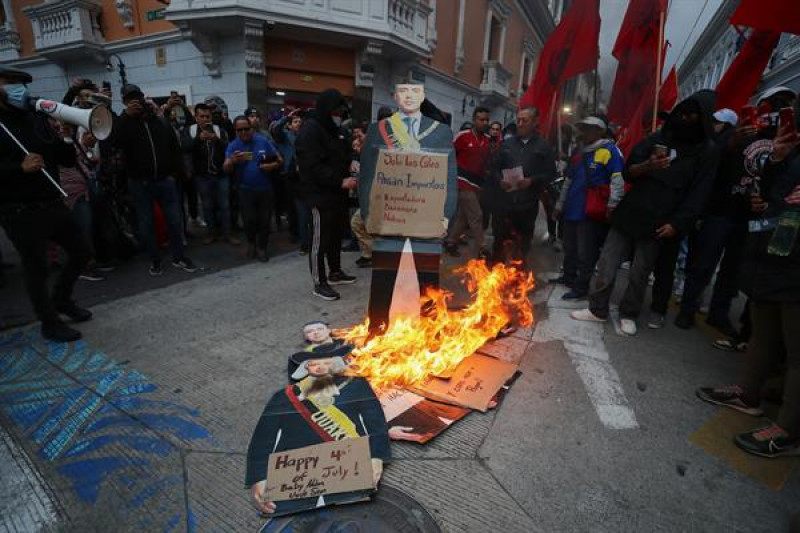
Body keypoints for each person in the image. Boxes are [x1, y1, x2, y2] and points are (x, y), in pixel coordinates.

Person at [696, 109, 800, 458]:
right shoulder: (792, 152)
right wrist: (778, 163)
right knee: (763, 336)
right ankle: (748, 393)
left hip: (795, 268)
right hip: (772, 257)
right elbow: (772, 195)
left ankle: (787, 431)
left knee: (797, 351)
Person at [571, 91, 719, 335]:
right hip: (632, 210)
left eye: (692, 116)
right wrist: (648, 166)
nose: (685, 119)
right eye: (682, 114)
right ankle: (597, 309)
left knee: (640, 271)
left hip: (661, 219)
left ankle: (629, 313)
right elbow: (628, 171)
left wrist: (678, 223)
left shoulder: (706, 152)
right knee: (607, 263)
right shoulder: (658, 138)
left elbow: (699, 193)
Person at [0, 67, 92, 342]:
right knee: (36, 268)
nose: (19, 88)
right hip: (19, 209)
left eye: (22, 83)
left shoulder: (35, 118)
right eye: (11, 83)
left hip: (51, 201)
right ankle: (49, 322)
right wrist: (19, 168)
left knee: (82, 251)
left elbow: (64, 159)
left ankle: (62, 299)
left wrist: (63, 134)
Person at [246, 343, 390, 516]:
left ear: (336, 364)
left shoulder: (357, 385)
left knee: (358, 516)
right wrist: (259, 478)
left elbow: (376, 424)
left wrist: (376, 457)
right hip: (295, 471)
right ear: (305, 367)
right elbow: (263, 439)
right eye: (314, 363)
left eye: (327, 362)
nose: (321, 367)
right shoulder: (284, 396)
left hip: (347, 465)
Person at [112, 84, 197, 276]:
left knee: (174, 221)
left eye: (137, 97)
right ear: (124, 102)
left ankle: (179, 256)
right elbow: (113, 142)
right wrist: (127, 116)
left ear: (143, 98)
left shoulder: (159, 120)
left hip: (165, 180)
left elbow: (174, 147)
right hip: (140, 182)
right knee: (146, 223)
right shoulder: (123, 122)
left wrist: (178, 172)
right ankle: (155, 259)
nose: (135, 101)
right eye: (129, 99)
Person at [674, 108, 745, 332]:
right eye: (714, 121)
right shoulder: (713, 147)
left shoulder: (751, 145)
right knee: (701, 265)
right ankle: (687, 310)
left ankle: (716, 312)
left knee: (729, 269)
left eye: (719, 123)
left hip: (738, 215)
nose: (714, 125)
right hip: (714, 213)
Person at [553, 116, 624, 300]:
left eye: (589, 128)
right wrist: (560, 204)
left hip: (590, 211)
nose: (585, 132)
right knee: (570, 247)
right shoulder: (579, 153)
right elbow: (568, 181)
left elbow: (617, 180)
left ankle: (581, 287)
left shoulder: (609, 151)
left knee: (586, 253)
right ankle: (568, 277)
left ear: (600, 131)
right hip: (572, 208)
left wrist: (612, 205)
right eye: (583, 128)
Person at [295, 89, 357, 300]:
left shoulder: (334, 129)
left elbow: (343, 152)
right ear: (327, 109)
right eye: (337, 110)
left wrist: (353, 161)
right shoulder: (311, 130)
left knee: (336, 237)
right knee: (319, 241)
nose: (340, 114)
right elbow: (311, 166)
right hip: (319, 195)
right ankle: (319, 282)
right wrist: (339, 180)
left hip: (337, 195)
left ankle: (335, 272)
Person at [485, 107, 557, 268]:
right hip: (503, 203)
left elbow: (550, 173)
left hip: (527, 204)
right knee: (499, 240)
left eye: (524, 120)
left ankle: (517, 278)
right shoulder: (506, 144)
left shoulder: (543, 147)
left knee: (522, 243)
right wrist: (499, 180)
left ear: (535, 122)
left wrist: (532, 181)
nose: (520, 124)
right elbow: (493, 168)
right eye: (518, 120)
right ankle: (495, 276)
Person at [223, 116, 281, 262]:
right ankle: (251, 243)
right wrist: (232, 161)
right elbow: (225, 168)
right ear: (235, 131)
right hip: (245, 190)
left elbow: (279, 160)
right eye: (239, 130)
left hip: (265, 189)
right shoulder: (233, 145)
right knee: (249, 221)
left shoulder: (263, 141)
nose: (244, 132)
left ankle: (262, 247)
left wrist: (271, 166)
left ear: (251, 128)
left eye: (246, 129)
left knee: (265, 221)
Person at [186, 103, 238, 246]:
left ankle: (227, 233)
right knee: (207, 206)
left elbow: (228, 149)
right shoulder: (190, 130)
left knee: (225, 205)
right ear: (196, 117)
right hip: (202, 176)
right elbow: (185, 148)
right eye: (201, 116)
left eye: (207, 116)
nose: (205, 119)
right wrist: (199, 139)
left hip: (221, 175)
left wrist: (216, 140)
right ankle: (211, 233)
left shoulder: (218, 130)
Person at [444, 106, 492, 259]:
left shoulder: (487, 140)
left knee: (463, 216)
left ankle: (451, 242)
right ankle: (482, 248)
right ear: (474, 120)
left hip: (477, 183)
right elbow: (450, 155)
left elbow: (485, 162)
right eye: (481, 119)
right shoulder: (462, 136)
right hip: (462, 181)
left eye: (486, 120)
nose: (484, 122)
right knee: (476, 215)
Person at [271, 111, 305, 249]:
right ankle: (294, 233)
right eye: (295, 122)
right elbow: (276, 129)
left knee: (302, 206)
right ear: (289, 125)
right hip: (288, 174)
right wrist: (287, 117)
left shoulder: (304, 136)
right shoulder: (284, 136)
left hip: (302, 175)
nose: (298, 124)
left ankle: (303, 231)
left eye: (299, 122)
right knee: (291, 206)